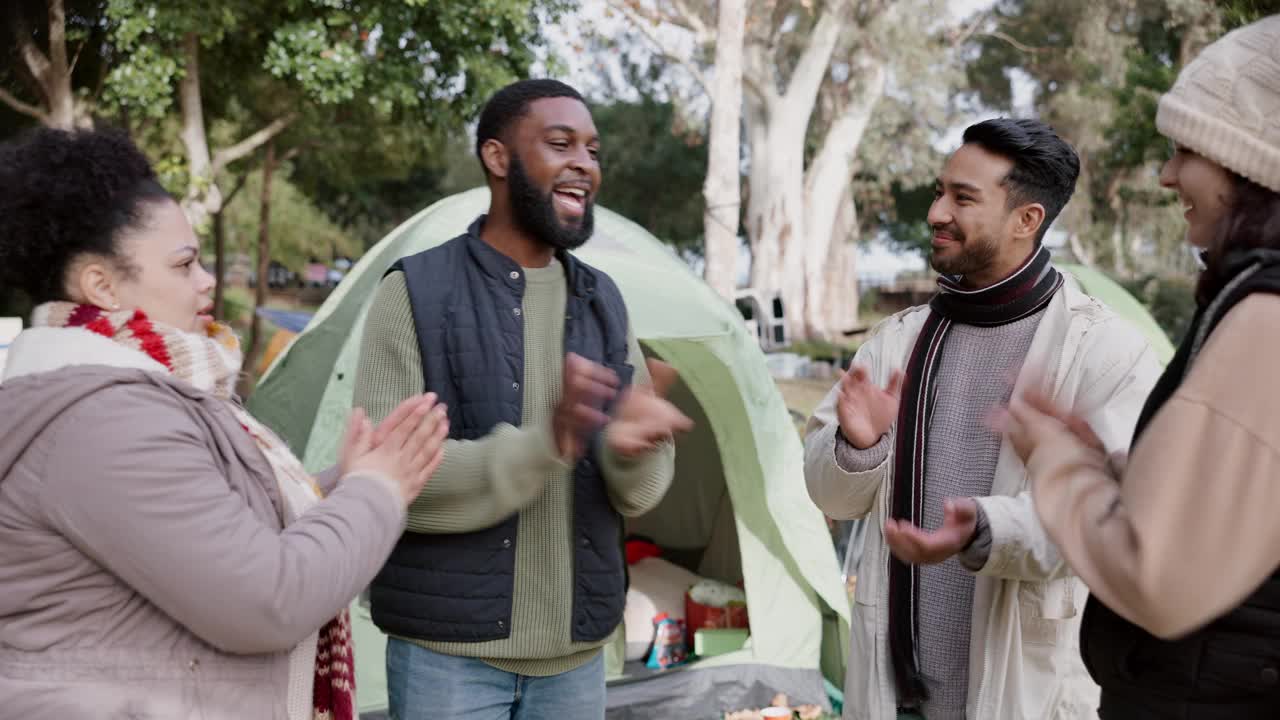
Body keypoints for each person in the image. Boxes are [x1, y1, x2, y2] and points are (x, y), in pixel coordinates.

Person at [0, 127, 449, 719]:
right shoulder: (104, 420)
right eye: (185, 264)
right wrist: (377, 492)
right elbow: (267, 600)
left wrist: (341, 485)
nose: (208, 280)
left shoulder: (133, 397)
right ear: (100, 285)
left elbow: (213, 538)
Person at [353, 78, 691, 720]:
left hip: (577, 660)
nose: (584, 165)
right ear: (498, 157)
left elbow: (641, 492)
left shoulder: (604, 301)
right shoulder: (414, 293)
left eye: (593, 150)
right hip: (446, 659)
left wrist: (629, 451)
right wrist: (547, 444)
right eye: (560, 143)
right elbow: (389, 480)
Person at [804, 118, 1163, 720]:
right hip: (897, 698)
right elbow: (829, 497)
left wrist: (982, 530)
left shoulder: (1106, 352)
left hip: (1027, 694)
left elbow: (1112, 520)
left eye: (963, 198)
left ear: (1027, 220)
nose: (936, 212)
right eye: (940, 191)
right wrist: (857, 447)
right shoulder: (897, 342)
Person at [999, 15, 1280, 719]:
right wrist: (1106, 467)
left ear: (1252, 163)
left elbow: (1162, 579)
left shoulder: (1265, 317)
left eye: (1189, 148)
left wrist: (1060, 462)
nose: (1166, 173)